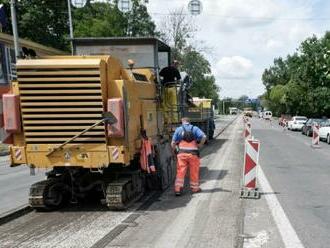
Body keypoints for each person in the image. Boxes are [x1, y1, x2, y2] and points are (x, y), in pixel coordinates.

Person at [171, 117, 206, 196]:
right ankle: (195, 188)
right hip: (193, 154)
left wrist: (175, 151)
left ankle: (178, 189)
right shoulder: (195, 128)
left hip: (182, 154)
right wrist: (200, 145)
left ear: (182, 122)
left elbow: (173, 143)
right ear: (189, 122)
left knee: (180, 171)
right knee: (194, 171)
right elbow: (204, 136)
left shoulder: (179, 129)